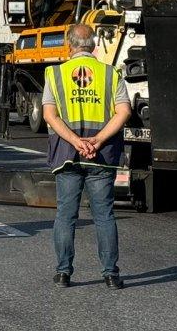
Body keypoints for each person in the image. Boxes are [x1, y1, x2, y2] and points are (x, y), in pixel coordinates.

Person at [42, 24, 132, 290]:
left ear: (69, 45)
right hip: (101, 155)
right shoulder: (110, 74)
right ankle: (110, 275)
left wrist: (76, 142)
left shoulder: (56, 74)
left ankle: (63, 273)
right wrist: (97, 140)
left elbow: (50, 115)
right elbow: (123, 112)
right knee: (104, 215)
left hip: (67, 154)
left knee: (66, 215)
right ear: (94, 45)